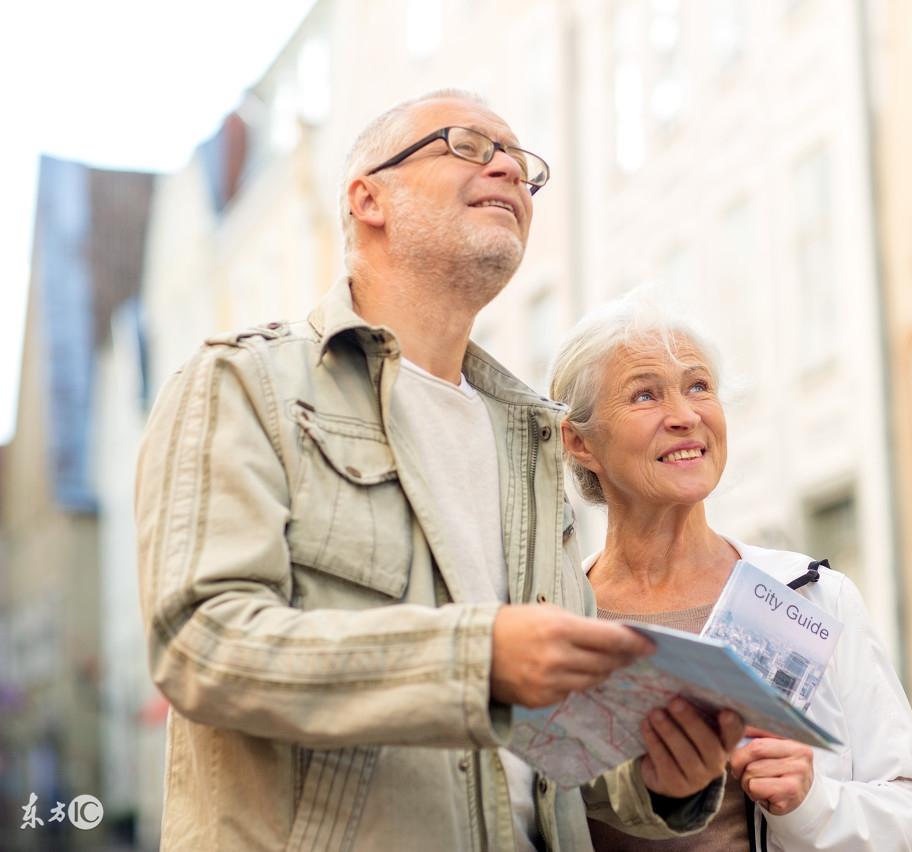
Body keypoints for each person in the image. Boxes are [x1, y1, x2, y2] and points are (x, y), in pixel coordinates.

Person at [134, 90, 742, 851]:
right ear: (368, 200)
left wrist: (662, 779)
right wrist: (477, 659)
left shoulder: (533, 441)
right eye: (469, 145)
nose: (511, 172)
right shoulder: (245, 386)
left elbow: (564, 751)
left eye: (523, 166)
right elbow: (202, 646)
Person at [549, 300, 912, 851]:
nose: (685, 415)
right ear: (578, 442)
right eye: (645, 394)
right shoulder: (555, 619)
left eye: (697, 387)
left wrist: (813, 802)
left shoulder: (811, 598)